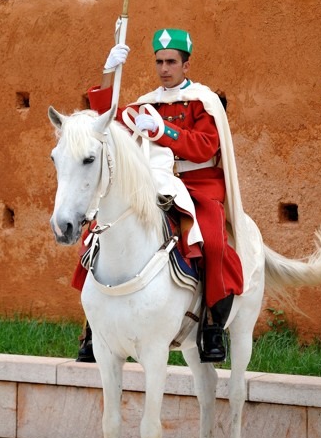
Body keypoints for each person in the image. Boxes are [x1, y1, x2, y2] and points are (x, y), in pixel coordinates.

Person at [75, 28, 244, 364]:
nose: (164, 68)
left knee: (211, 240)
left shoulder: (203, 101)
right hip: (154, 184)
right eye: (159, 62)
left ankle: (211, 325)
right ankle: (93, 328)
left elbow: (205, 146)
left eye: (171, 62)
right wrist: (109, 71)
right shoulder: (146, 104)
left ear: (186, 64)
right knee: (95, 233)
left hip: (198, 185)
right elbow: (105, 116)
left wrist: (163, 131)